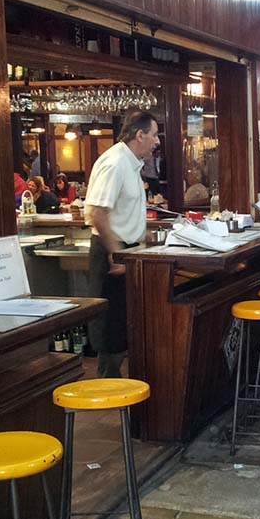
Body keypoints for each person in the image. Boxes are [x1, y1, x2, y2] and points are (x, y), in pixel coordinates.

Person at [84, 111, 159, 378]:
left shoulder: (131, 164)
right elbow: (96, 211)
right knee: (110, 328)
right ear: (140, 135)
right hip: (111, 251)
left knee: (124, 324)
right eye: (154, 134)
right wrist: (115, 251)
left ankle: (124, 391)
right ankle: (108, 391)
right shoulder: (115, 163)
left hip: (127, 249)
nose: (157, 141)